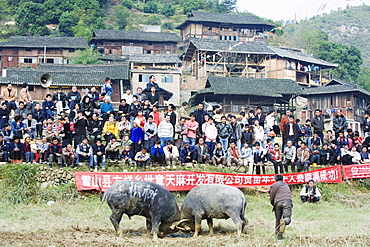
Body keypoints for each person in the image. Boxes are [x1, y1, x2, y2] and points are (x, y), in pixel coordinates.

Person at [265, 174, 292, 240]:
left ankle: (278, 236)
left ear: (275, 179)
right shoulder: (286, 184)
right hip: (287, 200)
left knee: (278, 219)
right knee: (287, 217)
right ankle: (285, 221)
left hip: (278, 202)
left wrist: (273, 203)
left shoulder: (274, 185)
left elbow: (272, 195)